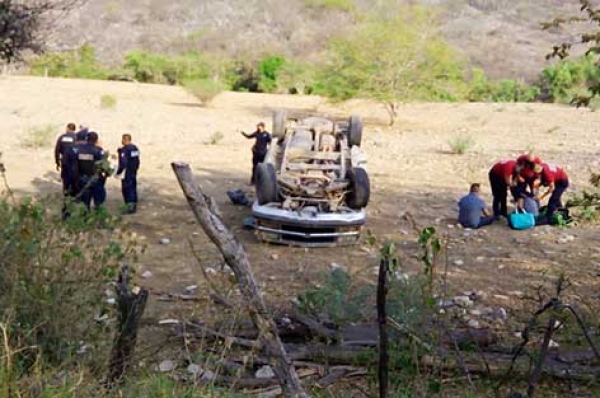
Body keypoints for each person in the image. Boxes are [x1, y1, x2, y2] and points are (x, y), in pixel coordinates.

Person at [70, 132, 106, 211]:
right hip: (95, 178)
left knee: (85, 201)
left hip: (82, 177)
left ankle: (85, 217)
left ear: (86, 139)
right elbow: (104, 164)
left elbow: (74, 165)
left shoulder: (79, 150)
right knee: (99, 200)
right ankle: (98, 216)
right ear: (96, 140)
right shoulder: (98, 150)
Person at [115, 134, 140, 214]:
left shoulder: (125, 150)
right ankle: (133, 204)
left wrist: (118, 172)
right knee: (133, 188)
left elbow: (123, 163)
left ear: (125, 140)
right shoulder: (135, 148)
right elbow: (137, 161)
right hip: (133, 171)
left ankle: (129, 207)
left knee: (127, 189)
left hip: (127, 172)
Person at [54, 123, 77, 192]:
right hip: (74, 161)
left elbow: (57, 150)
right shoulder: (76, 137)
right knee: (74, 180)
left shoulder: (62, 137)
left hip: (65, 160)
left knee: (65, 179)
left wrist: (57, 162)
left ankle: (66, 195)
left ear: (67, 128)